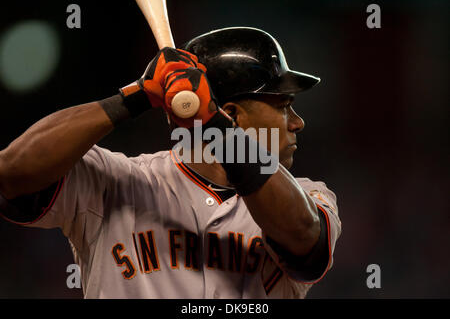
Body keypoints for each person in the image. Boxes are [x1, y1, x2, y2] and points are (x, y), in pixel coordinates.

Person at [0, 27, 341, 298]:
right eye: (283, 105)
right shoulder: (116, 180)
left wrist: (215, 128)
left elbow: (302, 235)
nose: (297, 122)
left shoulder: (310, 196)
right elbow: (11, 173)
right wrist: (133, 98)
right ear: (233, 114)